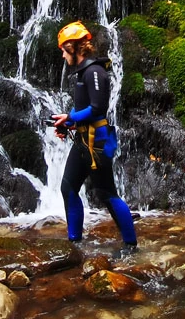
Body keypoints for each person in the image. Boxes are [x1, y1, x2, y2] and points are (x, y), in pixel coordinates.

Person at [51, 20, 138, 255]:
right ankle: (75, 245)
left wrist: (71, 117)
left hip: (97, 141)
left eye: (62, 50)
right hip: (82, 140)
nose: (62, 55)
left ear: (72, 46)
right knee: (68, 187)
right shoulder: (82, 73)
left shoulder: (94, 71)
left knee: (106, 193)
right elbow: (85, 111)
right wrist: (68, 122)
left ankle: (130, 246)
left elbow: (98, 108)